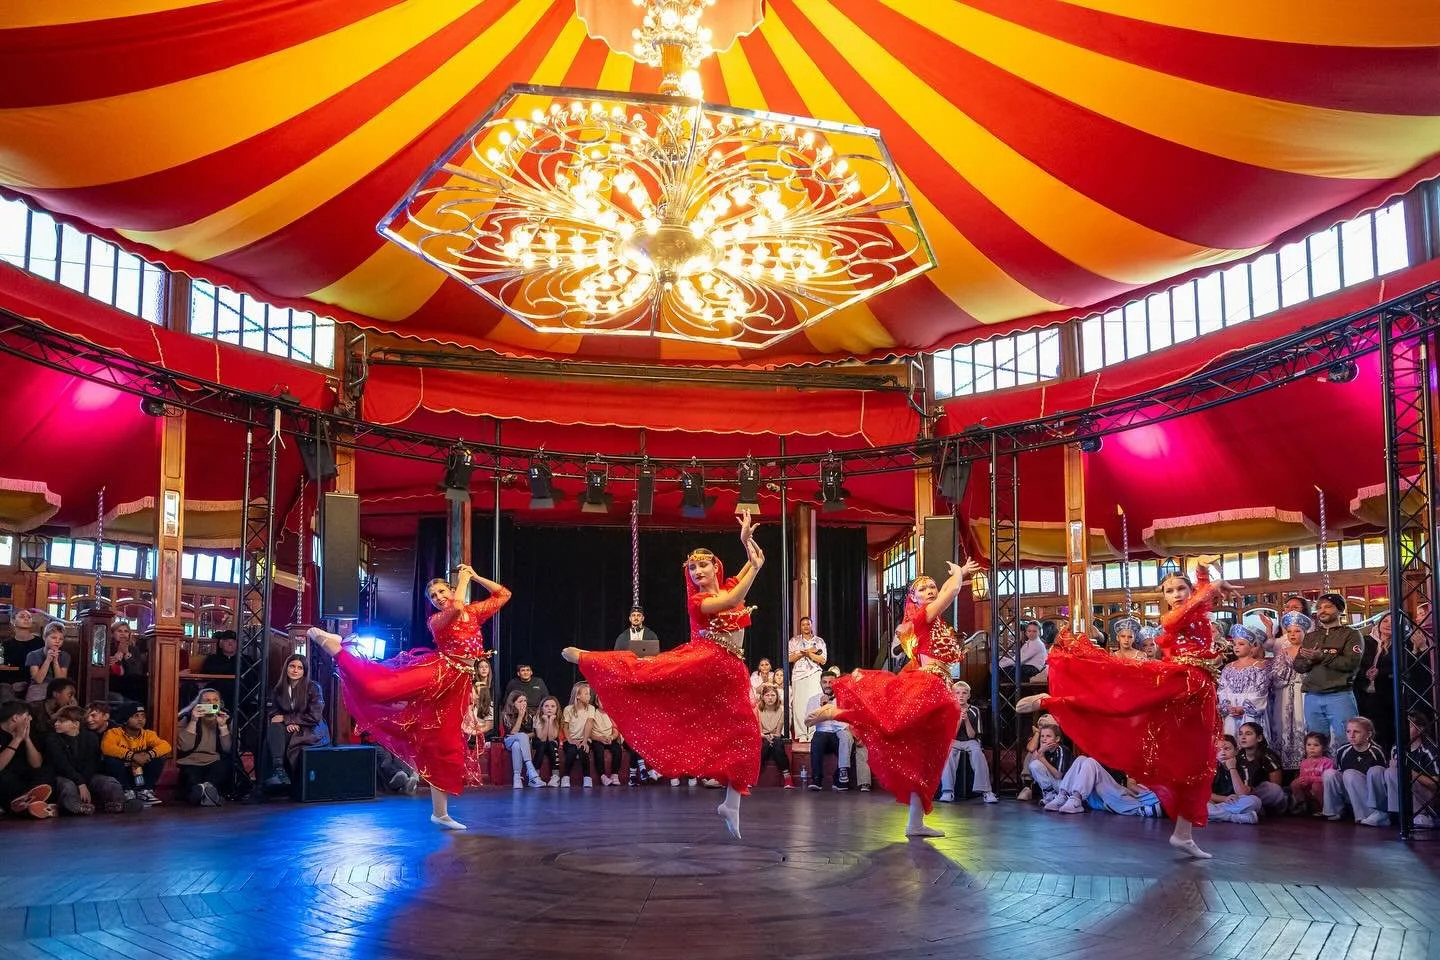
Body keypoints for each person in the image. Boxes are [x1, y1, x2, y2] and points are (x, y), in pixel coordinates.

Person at [1018, 562, 1240, 858]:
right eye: (1169, 591)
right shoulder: (1173, 615)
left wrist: (1204, 577)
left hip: (1202, 693)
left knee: (1199, 764)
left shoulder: (1196, 608)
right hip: (1179, 681)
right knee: (1122, 705)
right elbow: (1178, 617)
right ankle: (1056, 701)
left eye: (1181, 589)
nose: (1176, 595)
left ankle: (1183, 834)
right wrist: (1208, 587)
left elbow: (1199, 603)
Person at [563, 513, 765, 839]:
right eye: (692, 569)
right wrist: (754, 566)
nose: (697, 572)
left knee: (746, 736)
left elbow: (752, 566)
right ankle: (589, 659)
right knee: (647, 673)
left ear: (716, 567)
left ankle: (731, 804)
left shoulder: (728, 584)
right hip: (704, 660)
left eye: (703, 566)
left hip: (731, 671)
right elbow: (733, 598)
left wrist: (746, 544)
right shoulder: (701, 600)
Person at [309, 563, 510, 829]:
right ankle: (337, 648)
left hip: (457, 684)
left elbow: (503, 594)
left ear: (449, 590)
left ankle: (440, 813)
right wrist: (462, 581)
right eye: (434, 596)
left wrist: (474, 575)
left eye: (441, 592)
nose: (439, 598)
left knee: (445, 745)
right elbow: (456, 607)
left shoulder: (474, 613)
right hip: (438, 670)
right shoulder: (437, 620)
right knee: (378, 689)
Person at [813, 558, 982, 838]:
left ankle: (915, 823)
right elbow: (949, 594)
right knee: (892, 724)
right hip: (929, 685)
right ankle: (841, 713)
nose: (930, 590)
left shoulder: (938, 624)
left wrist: (956, 579)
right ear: (913, 598)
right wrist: (959, 575)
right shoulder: (923, 616)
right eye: (923, 588)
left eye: (932, 586)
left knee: (925, 757)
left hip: (943, 687)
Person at [1293, 593, 1363, 747]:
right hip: (1312, 696)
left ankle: (1348, 770)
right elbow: (1298, 666)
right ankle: (1322, 771)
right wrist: (1310, 660)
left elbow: (1350, 663)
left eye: (1327, 607)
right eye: (1319, 608)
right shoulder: (1311, 637)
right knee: (1316, 743)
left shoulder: (1351, 634)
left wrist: (1321, 656)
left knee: (1347, 740)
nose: (1322, 611)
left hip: (1340, 695)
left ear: (1340, 610)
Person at [44, 705, 129, 815]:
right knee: (68, 786)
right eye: (56, 721)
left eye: (61, 721)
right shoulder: (52, 739)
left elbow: (92, 764)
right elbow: (62, 766)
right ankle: (76, 807)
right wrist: (81, 783)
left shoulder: (91, 738)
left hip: (87, 776)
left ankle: (118, 804)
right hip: (64, 776)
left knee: (109, 782)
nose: (56, 724)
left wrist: (84, 781)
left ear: (75, 724)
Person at [1217, 625, 1294, 741]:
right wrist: (1227, 706)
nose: (1236, 647)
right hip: (1232, 713)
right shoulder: (1228, 668)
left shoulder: (1261, 666)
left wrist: (1245, 708)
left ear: (1252, 646)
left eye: (1241, 644)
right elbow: (1222, 689)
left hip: (1251, 713)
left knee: (1252, 738)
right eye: (1234, 644)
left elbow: (1261, 690)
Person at [264, 655, 329, 788]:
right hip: (289, 726)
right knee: (273, 730)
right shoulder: (279, 689)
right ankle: (278, 771)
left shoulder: (313, 687)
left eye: (300, 668)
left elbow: (315, 716)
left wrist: (288, 719)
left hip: (311, 728)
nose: (295, 670)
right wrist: (288, 722)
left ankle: (279, 773)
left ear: (304, 671)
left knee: (276, 733)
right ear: (286, 668)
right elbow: (275, 713)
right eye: (292, 666)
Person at [939, 680, 996, 804]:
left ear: (968, 696)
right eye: (957, 693)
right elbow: (952, 734)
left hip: (970, 740)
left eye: (964, 693)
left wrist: (966, 720)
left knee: (977, 754)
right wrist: (959, 719)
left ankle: (986, 791)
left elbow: (972, 735)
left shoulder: (974, 710)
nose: (961, 696)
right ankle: (948, 791)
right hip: (954, 740)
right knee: (948, 755)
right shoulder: (949, 710)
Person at [100, 704, 170, 804]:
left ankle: (144, 791)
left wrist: (148, 755)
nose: (140, 719)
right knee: (111, 760)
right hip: (122, 773)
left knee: (159, 758)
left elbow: (166, 746)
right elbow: (106, 747)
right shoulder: (114, 733)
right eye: (135, 716)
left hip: (139, 772)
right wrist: (133, 756)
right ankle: (126, 791)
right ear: (126, 719)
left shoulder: (148, 734)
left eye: (143, 716)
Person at [1269, 610, 1313, 767]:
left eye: (1297, 631)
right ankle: (1287, 763)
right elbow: (1276, 674)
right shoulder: (1283, 651)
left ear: (1305, 632)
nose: (1293, 635)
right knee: (1285, 724)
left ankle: (1308, 761)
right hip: (1286, 694)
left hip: (1305, 693)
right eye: (1289, 632)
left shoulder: (1310, 650)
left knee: (1303, 721)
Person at [175, 688, 232, 806]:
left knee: (221, 768)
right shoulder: (186, 718)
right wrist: (193, 721)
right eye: (207, 700)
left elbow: (227, 749)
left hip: (214, 761)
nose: (211, 703)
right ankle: (208, 795)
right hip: (191, 762)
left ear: (220, 703)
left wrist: (223, 727)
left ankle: (205, 792)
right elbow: (185, 747)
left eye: (215, 700)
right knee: (192, 779)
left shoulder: (225, 718)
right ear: (200, 704)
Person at [0, 700, 54, 818]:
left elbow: (36, 764)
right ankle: (35, 807)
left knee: (47, 770)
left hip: (25, 781)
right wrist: (17, 739)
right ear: (15, 718)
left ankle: (27, 802)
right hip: (7, 781)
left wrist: (27, 739)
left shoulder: (30, 733)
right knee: (4, 778)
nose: (30, 719)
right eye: (27, 716)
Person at [1354, 613, 1396, 752]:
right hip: (1363, 693)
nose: (1388, 624)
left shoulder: (1402, 643)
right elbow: (1354, 664)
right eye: (1385, 621)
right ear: (1379, 624)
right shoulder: (1365, 641)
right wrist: (1365, 673)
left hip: (1387, 694)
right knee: (1364, 729)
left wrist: (1381, 673)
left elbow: (1402, 667)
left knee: (1385, 730)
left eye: (1392, 621)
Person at [1208, 735, 1263, 824]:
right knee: (1198, 805)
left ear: (1236, 751)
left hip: (1237, 802)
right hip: (1216, 802)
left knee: (1255, 801)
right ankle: (1235, 817)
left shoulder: (1244, 766)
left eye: (1227, 749)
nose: (1222, 753)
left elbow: (1242, 793)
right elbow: (1206, 794)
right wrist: (1224, 799)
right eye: (1218, 750)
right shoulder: (1211, 767)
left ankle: (1216, 814)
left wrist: (1232, 769)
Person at [788, 617, 827, 741]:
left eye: (808, 624)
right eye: (803, 624)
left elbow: (823, 660)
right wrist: (807, 651)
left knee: (814, 703)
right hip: (798, 675)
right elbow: (790, 658)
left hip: (814, 673)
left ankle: (813, 733)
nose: (806, 626)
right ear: (800, 627)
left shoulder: (819, 641)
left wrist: (808, 654)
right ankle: (801, 734)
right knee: (799, 705)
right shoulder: (794, 641)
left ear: (811, 625)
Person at [1288, 732, 1335, 816]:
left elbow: (1327, 779)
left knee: (1316, 786)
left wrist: (1310, 779)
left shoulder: (1327, 762)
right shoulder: (1304, 762)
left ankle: (1323, 807)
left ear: (1323, 747)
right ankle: (1302, 804)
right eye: (1308, 745)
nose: (1311, 748)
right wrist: (1303, 781)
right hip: (1308, 786)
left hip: (1321, 787)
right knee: (1295, 783)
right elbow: (1302, 776)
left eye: (1316, 745)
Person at [755, 685, 792, 788]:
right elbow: (758, 730)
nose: (770, 698)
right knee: (765, 745)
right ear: (762, 697)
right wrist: (765, 736)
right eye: (767, 695)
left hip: (776, 734)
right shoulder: (757, 709)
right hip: (762, 735)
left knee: (777, 743)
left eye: (773, 695)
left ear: (777, 697)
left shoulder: (783, 709)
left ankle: (787, 778)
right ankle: (753, 776)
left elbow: (778, 732)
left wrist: (772, 736)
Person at [25, 621, 69, 702]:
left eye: (61, 639)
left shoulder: (64, 656)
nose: (57, 641)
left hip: (57, 687)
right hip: (38, 687)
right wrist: (48, 660)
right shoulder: (33, 655)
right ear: (45, 637)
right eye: (53, 638)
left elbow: (61, 681)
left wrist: (55, 661)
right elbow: (38, 680)